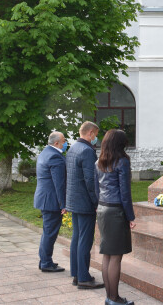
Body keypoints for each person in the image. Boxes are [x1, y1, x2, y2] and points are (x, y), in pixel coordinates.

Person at [97, 129, 136, 305]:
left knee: (107, 255)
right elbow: (125, 193)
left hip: (102, 208)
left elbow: (96, 188)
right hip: (115, 211)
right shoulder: (122, 161)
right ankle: (114, 298)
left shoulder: (99, 161)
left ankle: (109, 297)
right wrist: (131, 217)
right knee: (115, 257)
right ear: (120, 143)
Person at [66, 121, 104, 289]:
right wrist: (96, 202)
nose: (96, 138)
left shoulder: (73, 148)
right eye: (95, 135)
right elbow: (90, 181)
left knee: (76, 237)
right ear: (90, 134)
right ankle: (84, 277)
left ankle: (76, 274)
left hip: (74, 200)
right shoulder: (88, 151)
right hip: (85, 202)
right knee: (85, 240)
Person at [33, 131, 68, 273]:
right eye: (64, 140)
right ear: (56, 143)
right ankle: (46, 262)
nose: (66, 143)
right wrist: (63, 204)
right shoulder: (55, 156)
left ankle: (45, 260)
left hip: (45, 198)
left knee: (48, 231)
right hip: (51, 201)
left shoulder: (45, 153)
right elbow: (59, 184)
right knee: (50, 232)